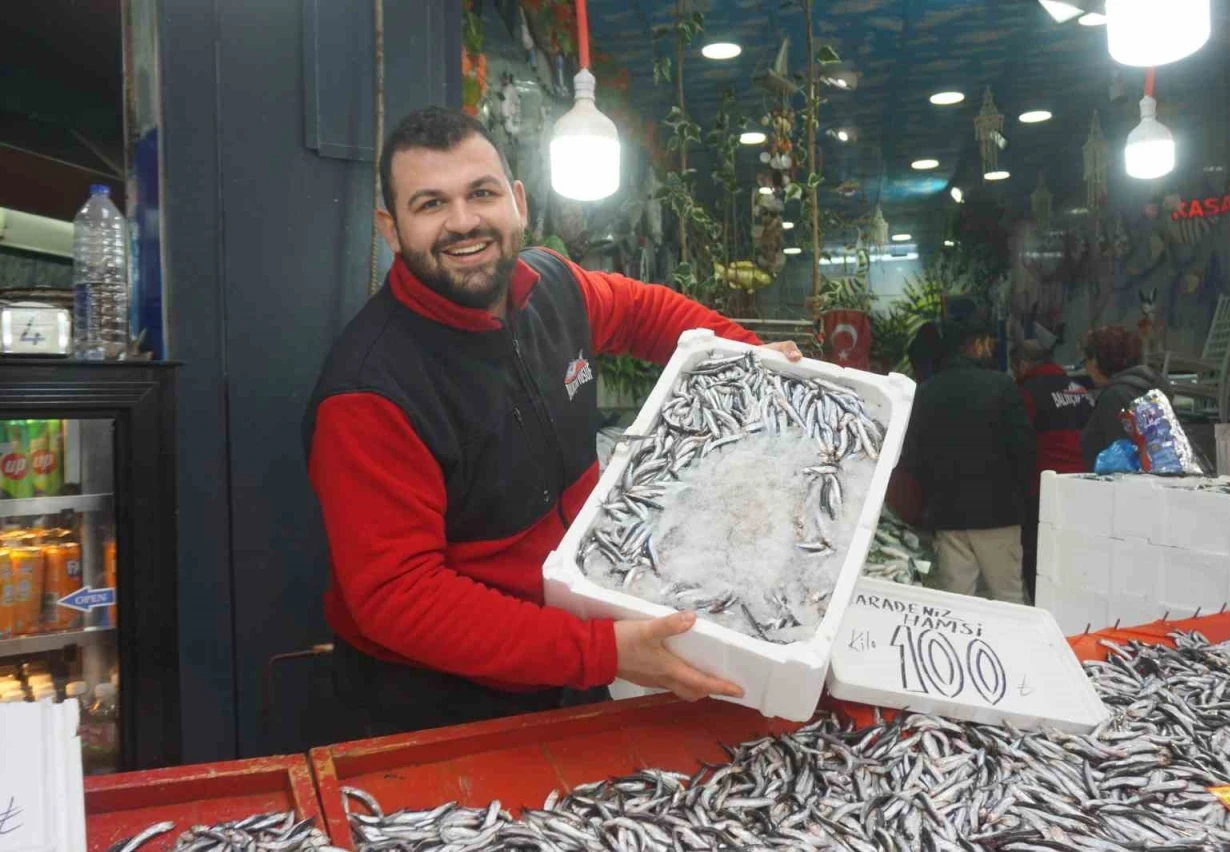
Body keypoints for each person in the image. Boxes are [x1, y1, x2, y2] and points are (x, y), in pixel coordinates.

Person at [303, 107, 803, 738]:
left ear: (517, 202)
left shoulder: (553, 288)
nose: (463, 221)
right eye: (430, 204)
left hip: (574, 649)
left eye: (481, 193)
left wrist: (750, 357)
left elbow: (642, 311)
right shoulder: (369, 392)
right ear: (392, 230)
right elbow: (400, 599)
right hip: (438, 702)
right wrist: (599, 652)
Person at [892, 321, 1037, 604]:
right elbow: (1024, 450)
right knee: (1008, 597)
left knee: (957, 603)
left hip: (947, 515)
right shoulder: (1002, 386)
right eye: (988, 343)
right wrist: (1020, 499)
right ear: (977, 345)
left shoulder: (927, 391)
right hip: (998, 514)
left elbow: (912, 456)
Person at [1011, 340, 1094, 601]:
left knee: (1040, 556)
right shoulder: (1079, 390)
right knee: (1077, 553)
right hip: (1085, 484)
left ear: (1022, 364)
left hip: (1044, 489)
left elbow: (1019, 443)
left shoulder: (1025, 393)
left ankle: (1043, 605)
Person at [1079, 325, 1172, 472]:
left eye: (1085, 361)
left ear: (1095, 361)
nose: (1085, 369)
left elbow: (1121, 465)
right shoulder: (1150, 390)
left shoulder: (1114, 398)